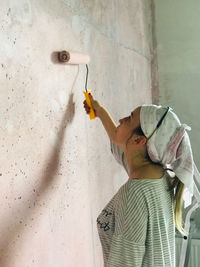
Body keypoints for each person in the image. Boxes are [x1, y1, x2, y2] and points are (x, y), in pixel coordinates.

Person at [83, 94, 195, 267]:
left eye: (129, 119)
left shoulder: (135, 194)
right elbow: (119, 141)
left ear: (138, 140)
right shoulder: (160, 176)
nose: (121, 119)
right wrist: (99, 111)